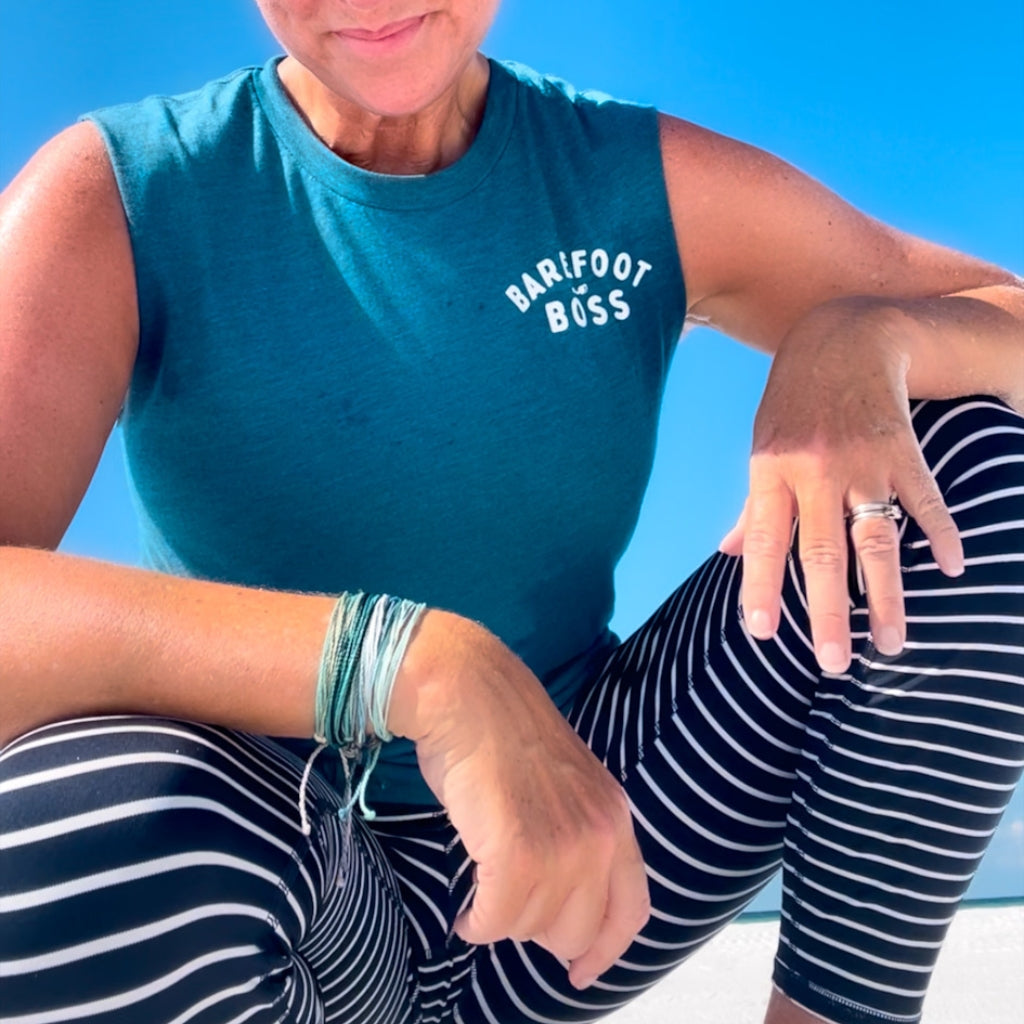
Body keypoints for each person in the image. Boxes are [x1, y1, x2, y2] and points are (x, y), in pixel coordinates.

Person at [0, 2, 1021, 1022]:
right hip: (287, 868)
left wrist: (865, 337)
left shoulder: (626, 179)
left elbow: (999, 312)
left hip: (596, 847)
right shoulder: (125, 194)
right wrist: (406, 665)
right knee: (82, 815)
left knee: (969, 451)